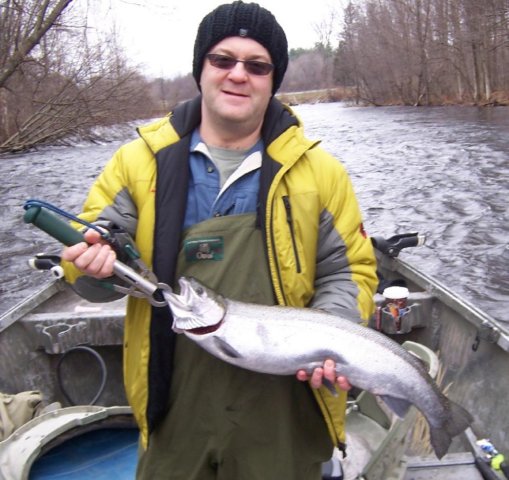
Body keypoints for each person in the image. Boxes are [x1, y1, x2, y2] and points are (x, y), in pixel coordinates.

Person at [61, 2, 378, 479]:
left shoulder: (321, 171)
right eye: (223, 60)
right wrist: (88, 267)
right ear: (200, 69)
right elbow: (93, 265)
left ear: (274, 79)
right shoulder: (136, 162)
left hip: (284, 407)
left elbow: (348, 270)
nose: (238, 75)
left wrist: (328, 338)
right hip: (171, 398)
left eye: (257, 65)